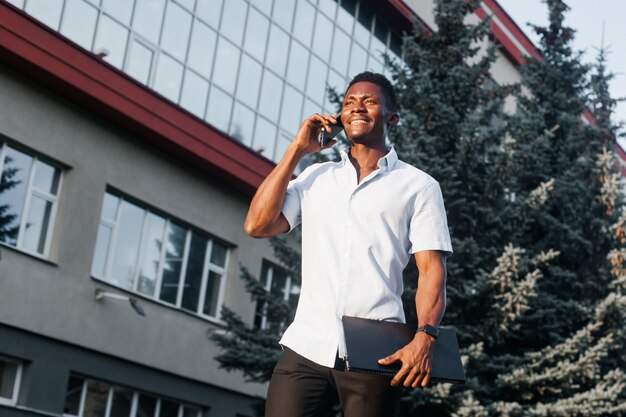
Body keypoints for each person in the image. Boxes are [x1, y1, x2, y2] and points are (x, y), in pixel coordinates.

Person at [244, 72, 452, 417]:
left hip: (377, 351)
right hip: (306, 346)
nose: (357, 107)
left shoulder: (419, 186)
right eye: (348, 102)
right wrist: (297, 150)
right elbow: (257, 225)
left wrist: (425, 337)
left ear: (392, 117)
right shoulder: (315, 178)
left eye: (369, 101)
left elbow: (432, 271)